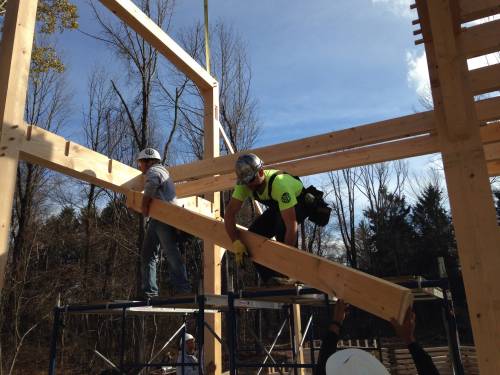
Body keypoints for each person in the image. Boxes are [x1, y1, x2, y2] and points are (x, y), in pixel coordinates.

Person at [224, 153, 314, 284]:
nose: (250, 186)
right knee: (254, 234)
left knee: (282, 226)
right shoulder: (244, 185)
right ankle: (270, 279)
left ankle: (291, 275)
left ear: (260, 172)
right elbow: (229, 214)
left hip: (300, 202)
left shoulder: (280, 185)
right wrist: (236, 242)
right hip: (279, 207)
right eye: (246, 182)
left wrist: (285, 260)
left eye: (251, 180)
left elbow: (291, 225)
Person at [137, 148, 191, 298]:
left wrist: (144, 205)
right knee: (148, 255)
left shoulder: (156, 170)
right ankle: (150, 292)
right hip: (158, 218)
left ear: (148, 162)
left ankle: (183, 290)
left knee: (171, 253)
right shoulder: (160, 171)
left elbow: (151, 184)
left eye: (140, 163)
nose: (139, 166)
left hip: (165, 218)